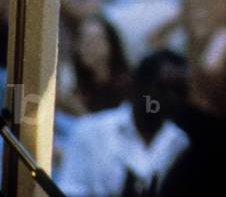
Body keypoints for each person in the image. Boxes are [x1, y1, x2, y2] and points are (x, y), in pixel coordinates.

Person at [58, 50, 190, 196]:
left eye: (178, 91)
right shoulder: (91, 131)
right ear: (139, 85)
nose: (170, 98)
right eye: (161, 88)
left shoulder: (181, 143)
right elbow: (70, 191)